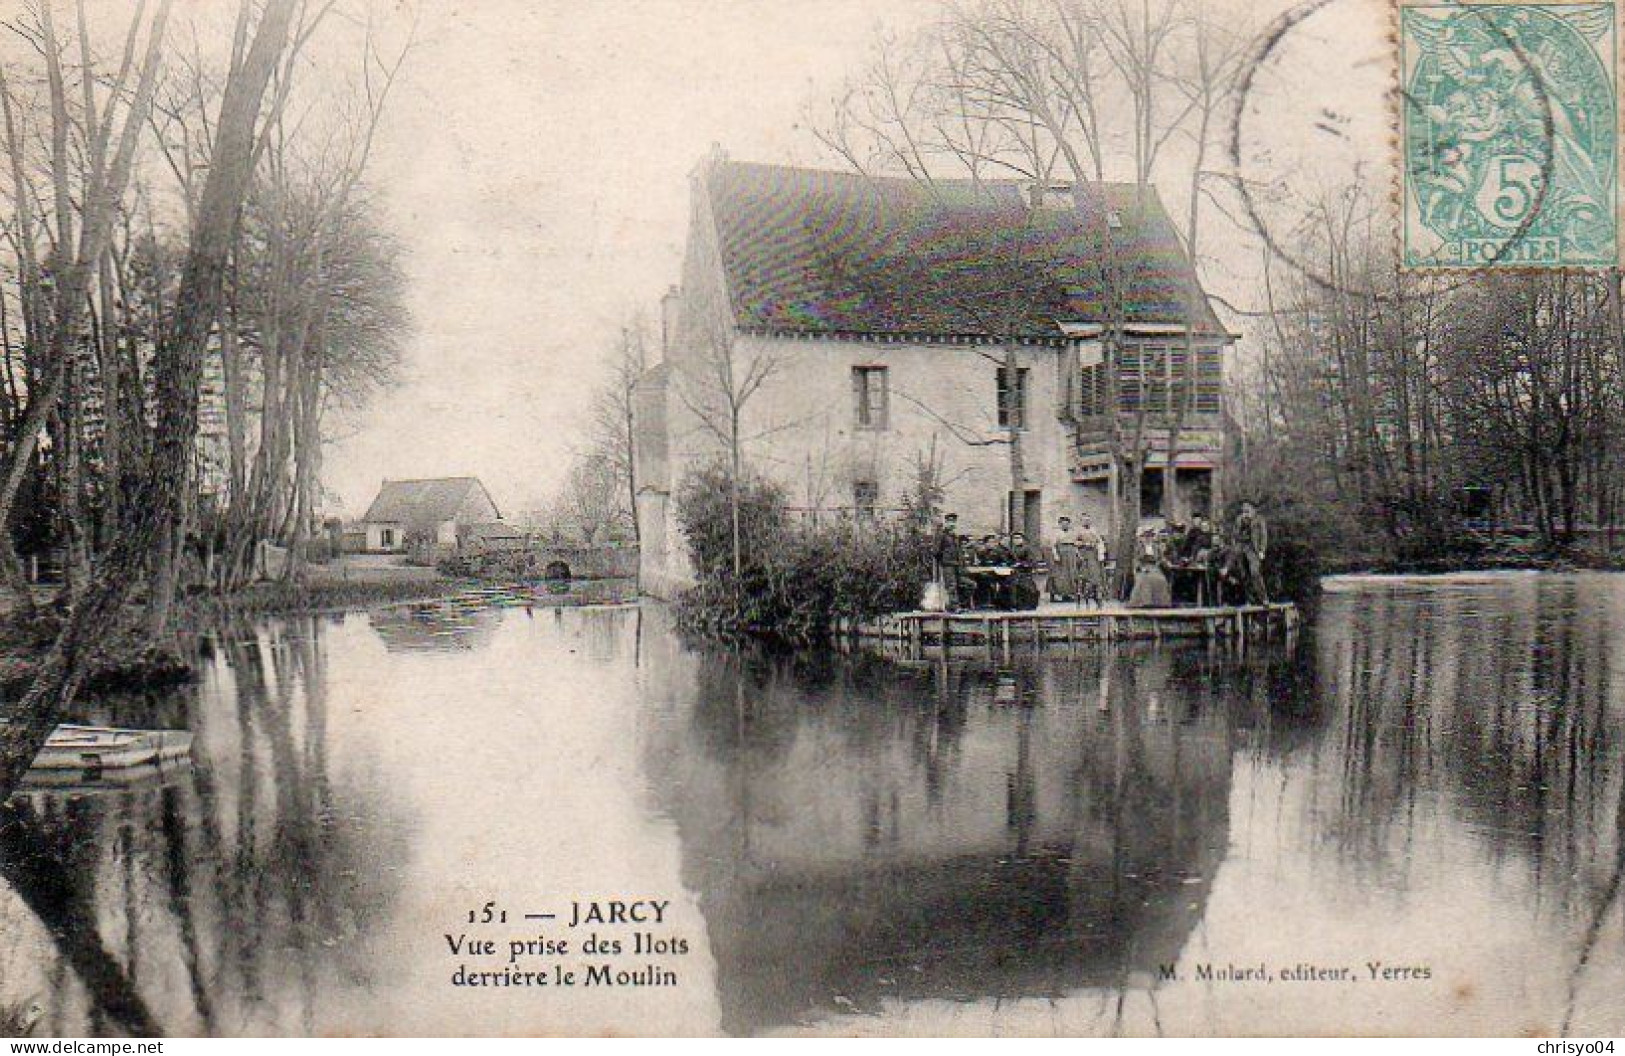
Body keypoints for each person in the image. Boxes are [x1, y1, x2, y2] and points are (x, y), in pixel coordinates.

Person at [1234, 501, 1270, 604]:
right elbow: (1234, 534)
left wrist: (1262, 550)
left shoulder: (1259, 519)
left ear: (1253, 509)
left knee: (1255, 572)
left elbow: (1264, 536)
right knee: (1243, 574)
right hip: (1241, 547)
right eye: (1243, 509)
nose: (1245, 511)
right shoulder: (1239, 519)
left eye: (1247, 508)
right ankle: (1250, 599)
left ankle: (1263, 597)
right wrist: (1236, 546)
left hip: (1253, 548)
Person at [933, 512, 966, 611]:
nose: (952, 524)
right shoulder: (942, 535)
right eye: (950, 521)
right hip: (947, 564)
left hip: (956, 564)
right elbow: (936, 551)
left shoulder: (955, 536)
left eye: (954, 522)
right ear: (946, 522)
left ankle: (955, 605)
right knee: (951, 585)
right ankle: (954, 607)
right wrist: (943, 561)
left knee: (959, 584)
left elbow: (958, 551)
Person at [1075, 515, 1106, 608]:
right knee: (1084, 577)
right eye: (1084, 521)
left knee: (1096, 577)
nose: (1087, 522)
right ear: (1082, 522)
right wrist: (1084, 544)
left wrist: (1098, 547)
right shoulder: (1079, 531)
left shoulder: (1094, 530)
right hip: (1084, 555)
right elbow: (1075, 543)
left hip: (1094, 555)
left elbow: (1100, 541)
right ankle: (1084, 596)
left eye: (1088, 520)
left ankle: (1098, 598)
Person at [1049, 516, 1082, 602]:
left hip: (1071, 555)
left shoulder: (1072, 533)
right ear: (1060, 524)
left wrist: (1078, 554)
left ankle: (1068, 594)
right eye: (1063, 524)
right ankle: (1056, 594)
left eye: (1067, 524)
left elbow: (1074, 545)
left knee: (1071, 574)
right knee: (1060, 574)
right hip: (1061, 554)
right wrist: (1056, 555)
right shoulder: (1056, 533)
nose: (1065, 525)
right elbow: (1053, 546)